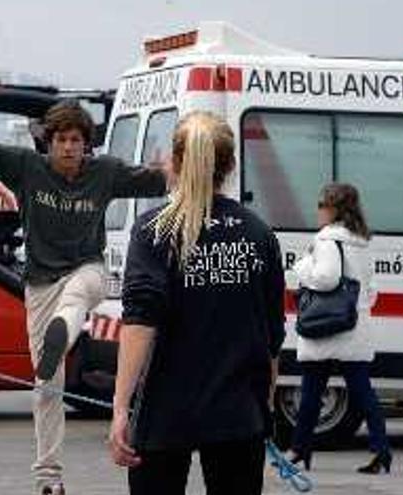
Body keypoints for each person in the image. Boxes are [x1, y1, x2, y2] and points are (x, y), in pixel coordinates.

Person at [0, 73, 167, 495]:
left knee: (80, 294)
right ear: (48, 143)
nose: (69, 148)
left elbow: (161, 179)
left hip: (87, 272)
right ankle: (49, 480)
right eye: (61, 141)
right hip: (39, 286)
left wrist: (178, 159)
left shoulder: (104, 172)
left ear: (86, 143)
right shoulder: (26, 168)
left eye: (76, 140)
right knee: (46, 387)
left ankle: (66, 327)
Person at [108, 111, 284, 495]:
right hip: (238, 414)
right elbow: (272, 336)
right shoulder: (258, 234)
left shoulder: (154, 231)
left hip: (164, 412)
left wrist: (121, 407)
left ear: (173, 162)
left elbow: (140, 320)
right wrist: (265, 406)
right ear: (231, 165)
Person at [286, 183, 392, 475]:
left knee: (310, 391)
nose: (317, 211)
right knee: (362, 391)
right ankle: (381, 450)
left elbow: (326, 279)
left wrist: (302, 267)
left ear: (333, 209)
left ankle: (299, 449)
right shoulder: (362, 241)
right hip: (354, 326)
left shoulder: (326, 240)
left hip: (325, 326)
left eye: (321, 205)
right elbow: (371, 291)